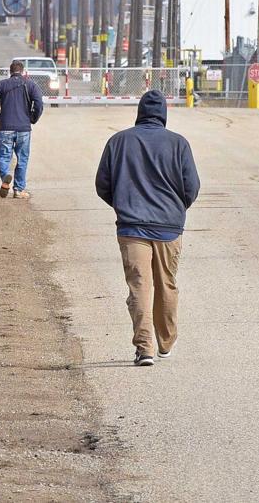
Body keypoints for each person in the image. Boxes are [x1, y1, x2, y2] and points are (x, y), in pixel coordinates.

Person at [95, 90, 200, 367]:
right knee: (166, 284)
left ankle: (145, 348)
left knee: (140, 286)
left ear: (140, 112)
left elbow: (102, 185)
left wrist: (124, 205)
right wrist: (176, 210)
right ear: (164, 113)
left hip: (131, 228)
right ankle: (166, 342)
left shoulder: (118, 142)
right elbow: (192, 187)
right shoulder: (179, 144)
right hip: (169, 227)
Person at [0, 60, 45, 200]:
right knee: (22, 159)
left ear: (10, 71)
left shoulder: (2, 84)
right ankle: (18, 190)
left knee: (4, 156)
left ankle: (5, 175)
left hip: (5, 127)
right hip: (24, 128)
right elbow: (39, 103)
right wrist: (33, 118)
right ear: (23, 71)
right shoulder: (30, 84)